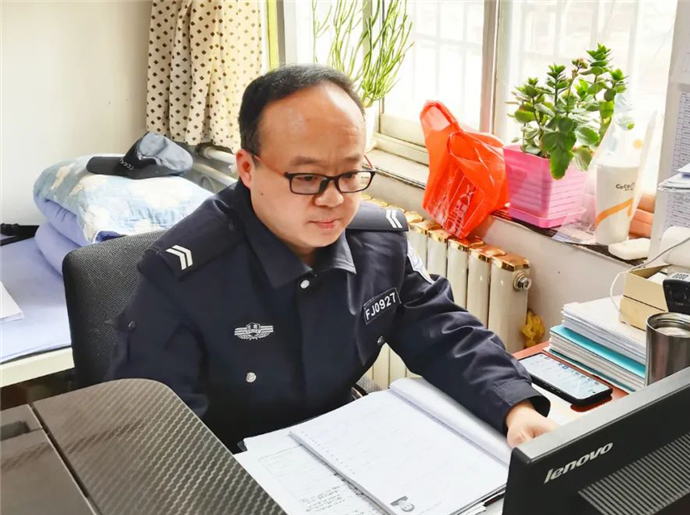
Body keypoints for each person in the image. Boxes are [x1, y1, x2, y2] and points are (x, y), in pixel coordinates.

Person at [108, 64, 557, 451]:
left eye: (350, 173)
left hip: (345, 447)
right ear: (247, 168)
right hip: (234, 467)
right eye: (307, 177)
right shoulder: (184, 277)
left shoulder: (378, 242)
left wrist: (516, 408)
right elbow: (157, 438)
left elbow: (443, 332)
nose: (334, 199)